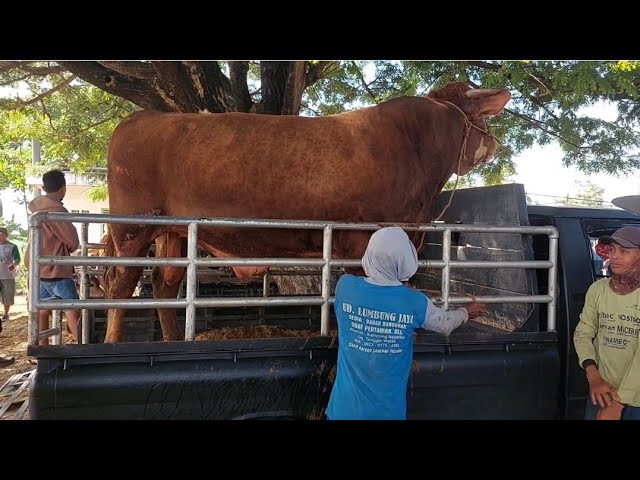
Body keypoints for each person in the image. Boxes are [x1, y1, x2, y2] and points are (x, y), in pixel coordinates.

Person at [325, 227, 487, 420]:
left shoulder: (345, 287)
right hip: (387, 414)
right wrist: (466, 312)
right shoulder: (415, 302)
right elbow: (445, 324)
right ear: (404, 260)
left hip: (341, 412)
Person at [573, 225, 640, 420]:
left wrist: (619, 402)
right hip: (603, 391)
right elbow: (583, 332)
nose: (615, 256)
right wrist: (593, 375)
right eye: (612, 250)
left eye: (624, 251)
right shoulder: (599, 289)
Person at [25, 169, 81, 345]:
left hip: (38, 270)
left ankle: (43, 349)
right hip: (56, 269)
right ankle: (82, 345)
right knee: (72, 310)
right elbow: (72, 241)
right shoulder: (57, 212)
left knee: (42, 310)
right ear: (63, 189)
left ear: (43, 187)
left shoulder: (36, 210)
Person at [0, 227, 20, 321]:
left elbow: (17, 258)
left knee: (7, 295)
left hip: (7, 275)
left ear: (6, 235)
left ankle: (6, 314)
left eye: (1, 235)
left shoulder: (12, 246)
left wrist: (14, 264)